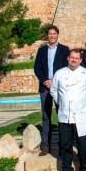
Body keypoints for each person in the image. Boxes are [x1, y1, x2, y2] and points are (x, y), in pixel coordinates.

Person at [50, 49, 86, 171]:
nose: (74, 60)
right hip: (64, 117)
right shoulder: (59, 73)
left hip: (81, 117)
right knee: (65, 146)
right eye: (72, 57)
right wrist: (62, 102)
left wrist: (85, 103)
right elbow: (54, 90)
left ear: (81, 60)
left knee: (84, 147)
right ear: (68, 58)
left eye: (77, 58)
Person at [33, 25, 69, 156]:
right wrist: (45, 81)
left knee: (62, 116)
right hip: (45, 87)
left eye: (54, 34)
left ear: (57, 35)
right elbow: (37, 68)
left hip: (59, 87)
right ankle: (45, 146)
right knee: (46, 117)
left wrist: (56, 81)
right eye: (50, 34)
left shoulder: (64, 50)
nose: (52, 36)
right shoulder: (42, 50)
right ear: (47, 35)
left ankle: (61, 146)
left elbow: (67, 67)